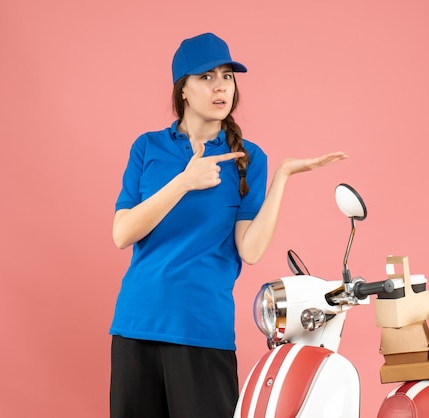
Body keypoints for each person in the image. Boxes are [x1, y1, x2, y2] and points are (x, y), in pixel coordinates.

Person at [109, 32, 347, 418]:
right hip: (136, 324)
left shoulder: (248, 158)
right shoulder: (148, 147)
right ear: (182, 90)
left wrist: (282, 177)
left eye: (228, 76)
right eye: (206, 77)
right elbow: (122, 233)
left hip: (201, 328)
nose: (221, 86)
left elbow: (250, 250)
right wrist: (184, 182)